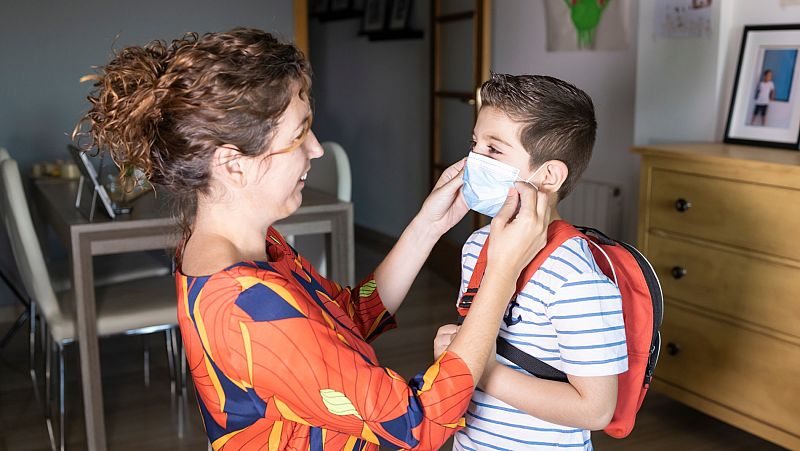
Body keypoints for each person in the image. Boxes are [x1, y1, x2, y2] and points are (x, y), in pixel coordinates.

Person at [74, 28, 551, 450]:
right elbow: (419, 423)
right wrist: (502, 273)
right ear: (233, 162)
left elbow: (344, 319)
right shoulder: (247, 302)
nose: (317, 148)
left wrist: (428, 226)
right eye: (299, 134)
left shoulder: (246, 248)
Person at [438, 74, 628, 450]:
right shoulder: (478, 246)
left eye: (494, 150)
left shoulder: (575, 278)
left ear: (549, 176)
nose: (474, 160)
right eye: (474, 144)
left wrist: (478, 368)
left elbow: (595, 410)